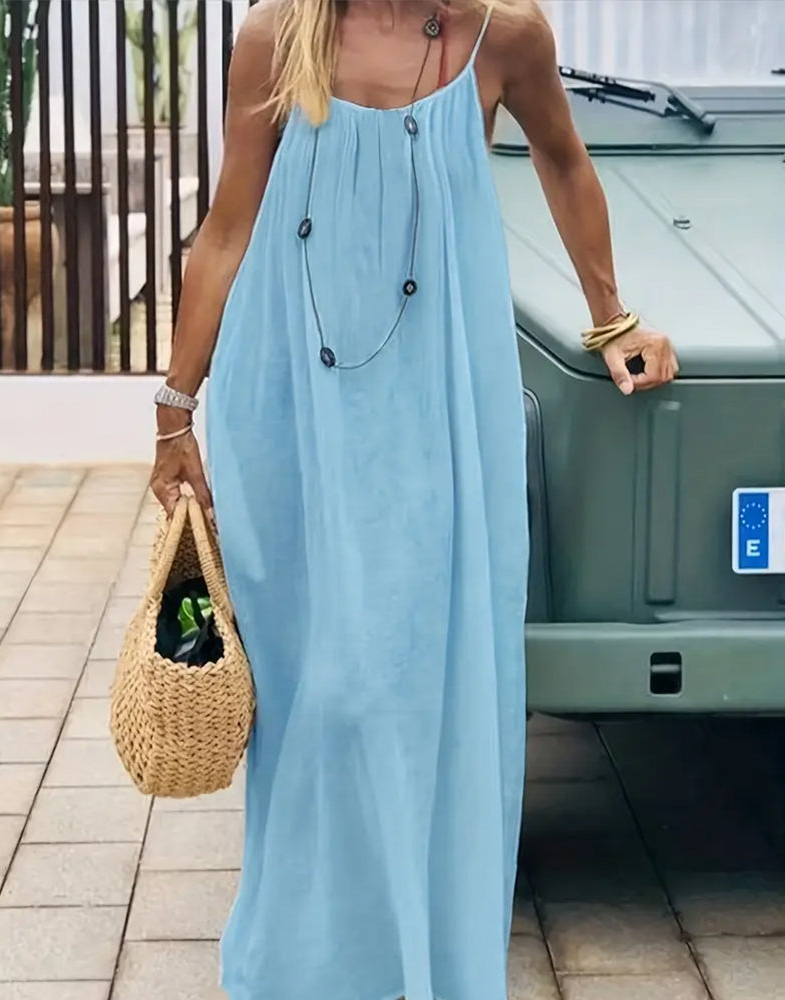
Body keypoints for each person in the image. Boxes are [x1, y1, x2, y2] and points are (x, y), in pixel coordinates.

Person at [150, 2, 678, 998]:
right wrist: (175, 412)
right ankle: (310, 960)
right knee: (314, 691)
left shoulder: (503, 35)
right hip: (289, 403)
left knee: (416, 677)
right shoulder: (276, 36)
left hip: (438, 401)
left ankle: (421, 950)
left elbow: (564, 160)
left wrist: (613, 318)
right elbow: (227, 229)